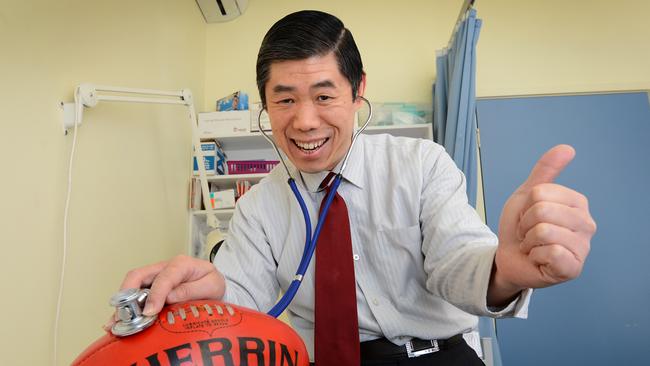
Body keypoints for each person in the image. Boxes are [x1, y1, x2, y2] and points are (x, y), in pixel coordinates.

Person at [116, 10, 596, 365]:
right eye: (284, 100)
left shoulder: (421, 164)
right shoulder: (259, 206)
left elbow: (456, 262)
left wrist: (504, 271)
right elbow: (246, 295)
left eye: (324, 96)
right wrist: (209, 287)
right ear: (266, 103)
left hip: (437, 355)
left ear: (357, 89)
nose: (305, 122)